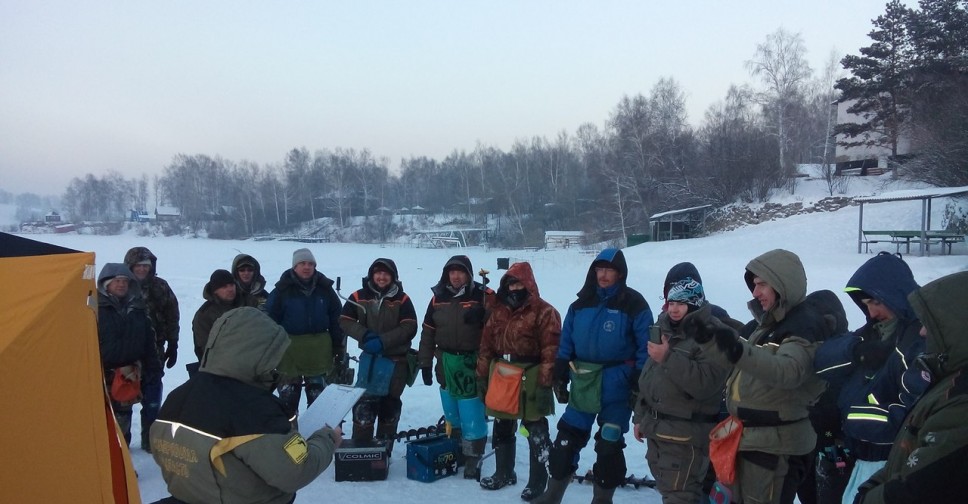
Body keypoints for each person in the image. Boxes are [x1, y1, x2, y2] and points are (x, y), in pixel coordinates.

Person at [691, 249, 843, 504]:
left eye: (762, 284)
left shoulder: (803, 325)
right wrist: (710, 340)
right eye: (754, 285)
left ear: (782, 284)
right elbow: (746, 366)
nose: (755, 292)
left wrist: (736, 349)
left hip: (775, 448)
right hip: (754, 440)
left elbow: (788, 372)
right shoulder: (770, 324)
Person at [150, 307, 342, 504]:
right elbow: (294, 471)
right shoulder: (253, 410)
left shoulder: (179, 396)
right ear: (260, 354)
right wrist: (327, 439)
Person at [537, 248, 653, 504]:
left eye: (609, 270)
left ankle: (602, 500)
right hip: (584, 382)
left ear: (620, 273)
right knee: (565, 442)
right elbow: (566, 341)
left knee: (609, 446)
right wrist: (560, 371)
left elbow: (646, 346)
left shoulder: (634, 304)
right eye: (599, 269)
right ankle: (552, 495)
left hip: (617, 385)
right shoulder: (580, 304)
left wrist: (638, 381)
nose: (603, 275)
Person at [814, 252, 928, 504]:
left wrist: (848, 417)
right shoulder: (871, 333)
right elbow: (821, 359)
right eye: (866, 304)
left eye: (876, 302)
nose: (872, 312)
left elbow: (912, 414)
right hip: (857, 460)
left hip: (892, 463)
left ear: (895, 294)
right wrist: (857, 352)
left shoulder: (917, 341)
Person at [854, 270, 968, 503]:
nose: (923, 331)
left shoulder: (957, 393)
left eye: (876, 301)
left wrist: (850, 418)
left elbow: (920, 484)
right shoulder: (944, 370)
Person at [632, 270, 735, 504]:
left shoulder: (715, 334)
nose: (674, 308)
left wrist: (667, 357)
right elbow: (649, 378)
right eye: (671, 302)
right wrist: (640, 417)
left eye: (681, 303)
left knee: (681, 497)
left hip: (686, 437)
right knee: (671, 494)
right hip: (658, 431)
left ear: (695, 303)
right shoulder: (665, 328)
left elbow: (705, 384)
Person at [476, 262, 561, 500]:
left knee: (534, 427)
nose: (514, 288)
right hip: (503, 373)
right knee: (502, 424)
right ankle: (504, 472)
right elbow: (486, 346)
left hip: (532, 374)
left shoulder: (545, 312)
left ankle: (538, 481)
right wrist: (482, 376)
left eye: (518, 283)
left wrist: (546, 384)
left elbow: (551, 350)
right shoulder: (498, 311)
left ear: (529, 283)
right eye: (510, 283)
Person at [418, 254, 494, 480]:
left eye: (460, 271)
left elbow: (501, 321)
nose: (456, 276)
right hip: (445, 361)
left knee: (471, 409)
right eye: (452, 272)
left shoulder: (483, 296)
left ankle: (473, 455)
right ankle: (458, 449)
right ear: (446, 274)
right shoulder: (437, 298)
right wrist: (424, 361)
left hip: (471, 361)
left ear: (469, 274)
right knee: (451, 409)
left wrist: (485, 314)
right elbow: (428, 332)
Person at [338, 258, 418, 454]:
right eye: (378, 273)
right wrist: (364, 334)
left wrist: (384, 341)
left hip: (396, 362)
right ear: (372, 275)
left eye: (386, 273)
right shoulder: (359, 296)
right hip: (370, 361)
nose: (382, 277)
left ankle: (384, 449)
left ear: (393, 277)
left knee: (389, 405)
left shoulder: (402, 299)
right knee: (364, 403)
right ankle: (361, 447)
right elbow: (345, 320)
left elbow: (409, 326)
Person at [265, 248, 344, 420]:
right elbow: (269, 320)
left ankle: (316, 437)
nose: (307, 267)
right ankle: (288, 438)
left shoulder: (325, 289)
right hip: (289, 351)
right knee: (288, 400)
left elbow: (337, 317)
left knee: (319, 400)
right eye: (302, 263)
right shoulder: (281, 290)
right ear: (295, 266)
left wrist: (338, 345)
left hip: (319, 351)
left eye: (310, 264)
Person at [96, 263, 162, 446]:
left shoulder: (138, 309)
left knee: (123, 421)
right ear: (106, 284)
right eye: (116, 281)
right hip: (102, 374)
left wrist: (154, 368)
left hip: (129, 374)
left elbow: (149, 341)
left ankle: (123, 466)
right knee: (103, 421)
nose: (121, 285)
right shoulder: (94, 310)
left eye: (125, 281)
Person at [124, 246, 180, 453]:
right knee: (124, 397)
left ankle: (151, 440)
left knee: (153, 396)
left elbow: (172, 315)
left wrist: (173, 343)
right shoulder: (121, 285)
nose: (142, 270)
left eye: (145, 266)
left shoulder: (160, 287)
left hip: (154, 350)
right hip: (126, 353)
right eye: (138, 266)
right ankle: (123, 441)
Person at [192, 269, 246, 362]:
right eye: (224, 287)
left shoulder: (248, 302)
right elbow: (204, 349)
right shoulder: (204, 315)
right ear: (215, 291)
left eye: (232, 285)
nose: (230, 289)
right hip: (222, 365)